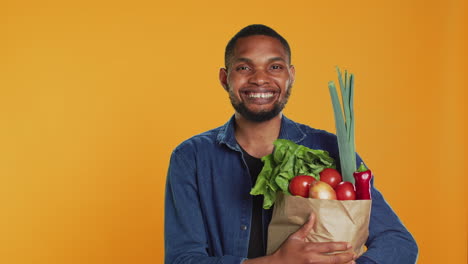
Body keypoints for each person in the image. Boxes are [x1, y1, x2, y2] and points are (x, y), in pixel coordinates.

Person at [164, 24, 418, 264]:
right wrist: (275, 262)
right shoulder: (192, 157)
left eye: (275, 67)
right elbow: (182, 259)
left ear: (291, 76)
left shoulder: (330, 150)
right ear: (224, 78)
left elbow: (399, 243)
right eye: (244, 68)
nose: (260, 79)